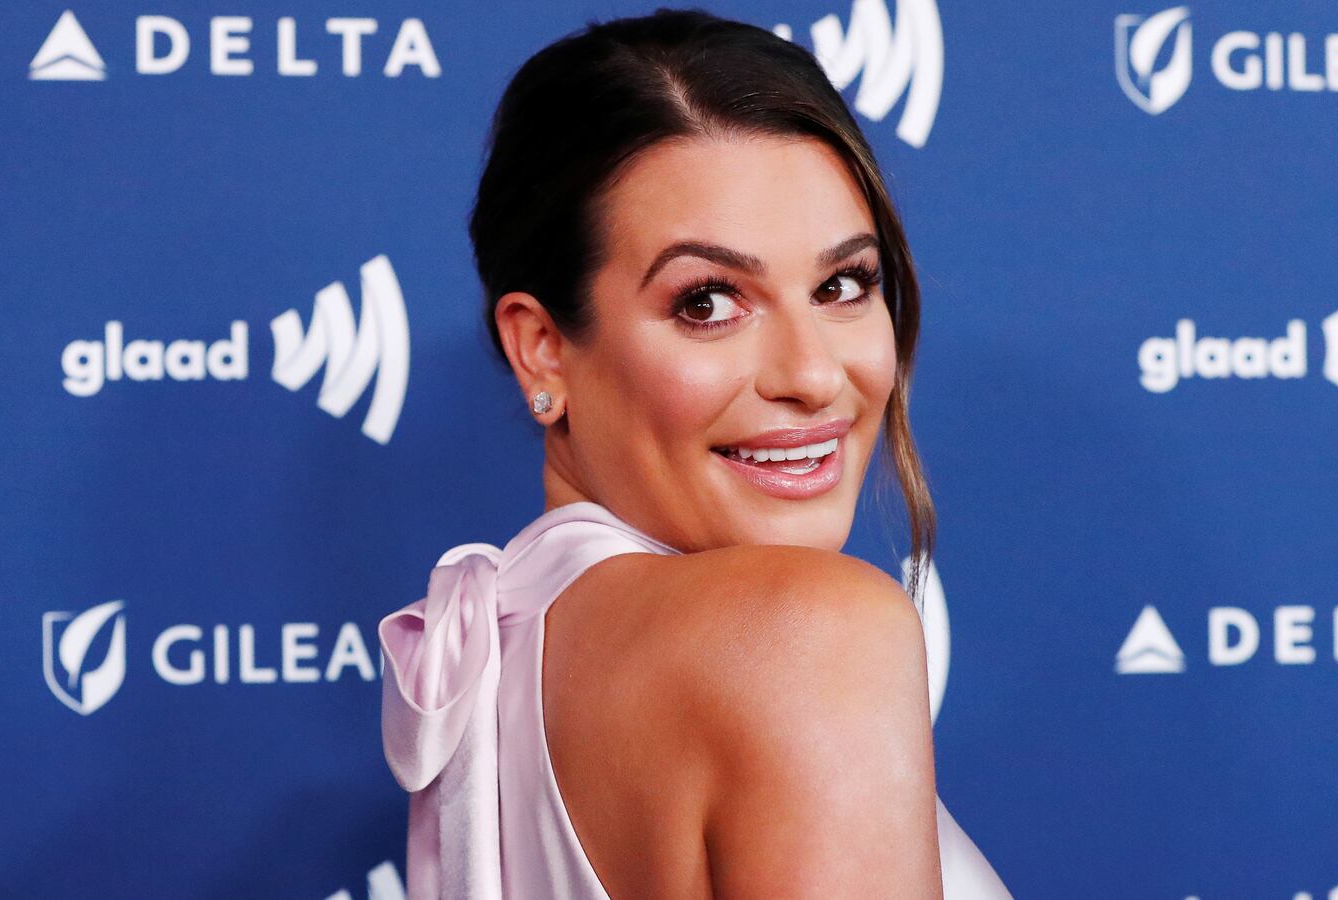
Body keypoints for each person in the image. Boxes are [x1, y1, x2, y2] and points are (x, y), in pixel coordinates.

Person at [378, 8, 1011, 898]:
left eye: (842, 285)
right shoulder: (807, 631)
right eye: (709, 302)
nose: (812, 374)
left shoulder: (504, 656)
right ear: (543, 348)